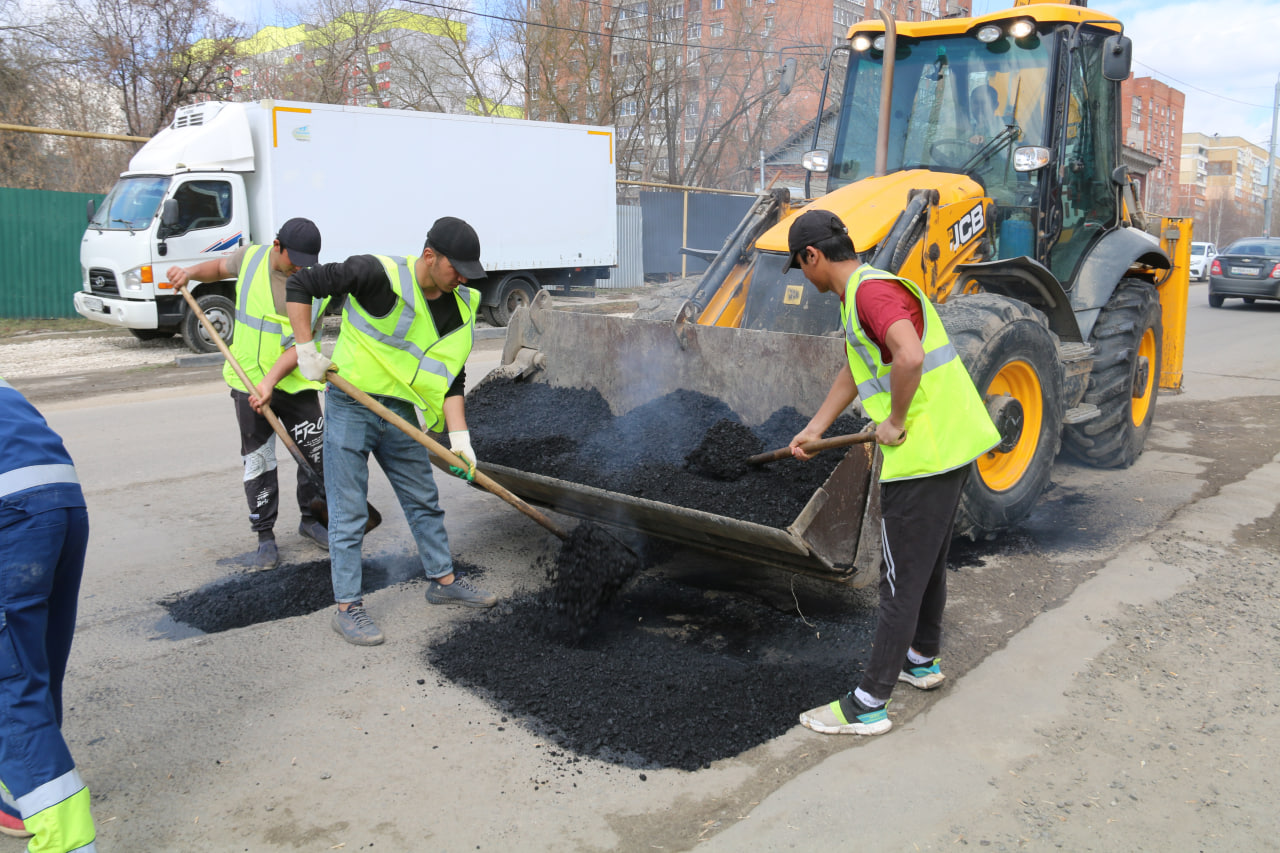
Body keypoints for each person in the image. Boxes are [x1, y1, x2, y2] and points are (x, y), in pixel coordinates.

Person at [785, 210, 1001, 736]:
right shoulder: (863, 293)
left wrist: (895, 420)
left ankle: (868, 703)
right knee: (926, 562)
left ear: (812, 255)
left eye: (800, 266)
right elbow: (858, 366)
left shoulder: (870, 294)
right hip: (951, 443)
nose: (804, 279)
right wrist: (816, 428)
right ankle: (922, 659)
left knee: (899, 577)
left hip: (922, 450)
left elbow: (907, 358)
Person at [286, 216, 497, 647]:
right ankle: (347, 608)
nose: (461, 278)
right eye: (455, 268)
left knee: (423, 498)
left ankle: (443, 581)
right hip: (351, 404)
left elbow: (451, 379)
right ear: (429, 256)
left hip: (399, 411)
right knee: (348, 512)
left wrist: (461, 442)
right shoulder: (375, 273)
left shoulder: (460, 308)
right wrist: (306, 348)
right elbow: (301, 285)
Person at [166, 218, 329, 570]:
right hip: (247, 382)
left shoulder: (316, 285)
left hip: (294, 383)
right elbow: (219, 266)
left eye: (307, 261)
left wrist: (269, 383)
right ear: (277, 246)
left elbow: (303, 345)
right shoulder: (252, 259)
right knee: (258, 460)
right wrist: (190, 273)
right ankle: (265, 536)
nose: (299, 267)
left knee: (316, 454)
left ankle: (312, 520)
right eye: (294, 259)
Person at [0, 377, 97, 850]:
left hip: (10, 513)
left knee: (9, 693)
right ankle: (18, 797)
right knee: (33, 669)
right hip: (60, 499)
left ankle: (67, 842)